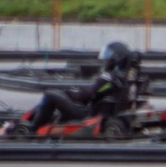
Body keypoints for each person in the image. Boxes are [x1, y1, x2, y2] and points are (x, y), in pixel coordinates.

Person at [8, 41, 142, 137]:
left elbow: (87, 95)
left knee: (50, 95)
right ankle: (55, 123)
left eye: (108, 58)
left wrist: (70, 92)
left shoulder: (109, 78)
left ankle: (33, 128)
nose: (106, 61)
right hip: (104, 109)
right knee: (61, 97)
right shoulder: (126, 79)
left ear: (115, 59)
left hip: (88, 112)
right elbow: (97, 91)